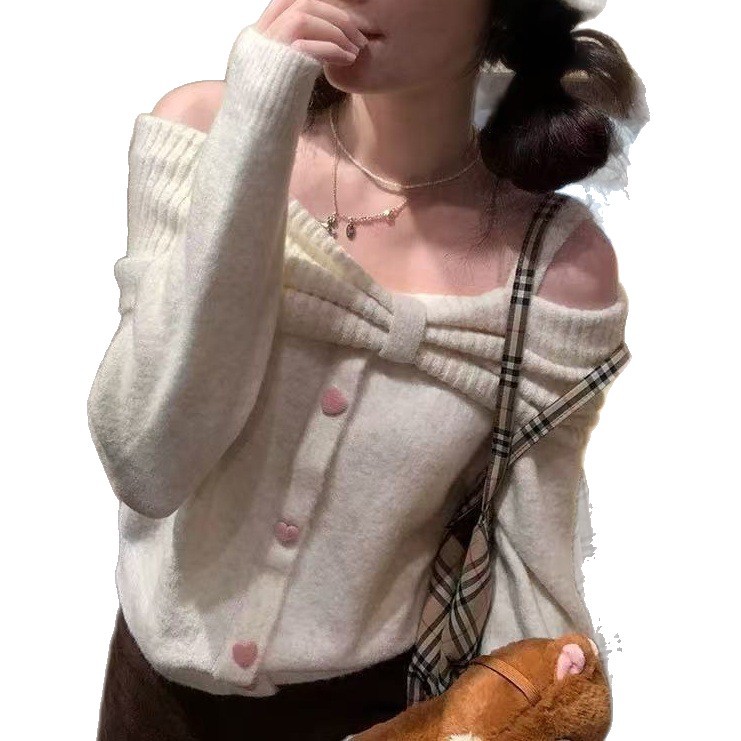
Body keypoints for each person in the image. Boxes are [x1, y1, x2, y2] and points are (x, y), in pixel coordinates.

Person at [89, 0, 645, 738]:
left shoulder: (555, 268)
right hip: (151, 704)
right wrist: (256, 117)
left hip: (379, 716)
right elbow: (147, 462)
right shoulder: (204, 131)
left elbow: (532, 569)